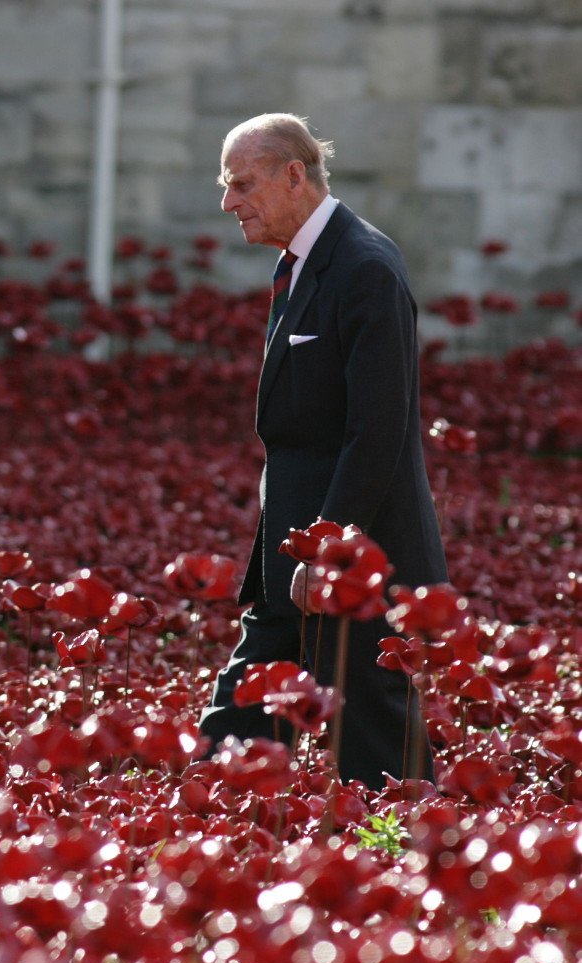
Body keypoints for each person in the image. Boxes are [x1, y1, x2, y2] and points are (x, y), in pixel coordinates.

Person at [198, 114, 448, 789]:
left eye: (241, 184)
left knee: (377, 748)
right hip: (294, 557)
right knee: (240, 719)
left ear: (294, 175)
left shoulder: (364, 267)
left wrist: (327, 550)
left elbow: (380, 429)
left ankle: (416, 876)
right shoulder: (304, 263)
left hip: (348, 561)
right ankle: (186, 840)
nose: (229, 203)